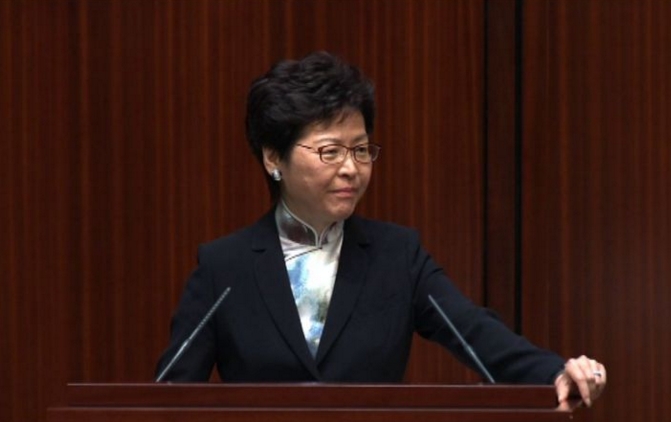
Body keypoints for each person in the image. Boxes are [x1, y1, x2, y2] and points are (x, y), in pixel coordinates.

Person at [156, 51, 606, 407]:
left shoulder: (397, 256)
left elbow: (475, 334)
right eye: (331, 151)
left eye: (361, 149)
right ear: (274, 157)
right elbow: (168, 398)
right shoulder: (224, 268)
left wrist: (555, 371)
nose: (351, 168)